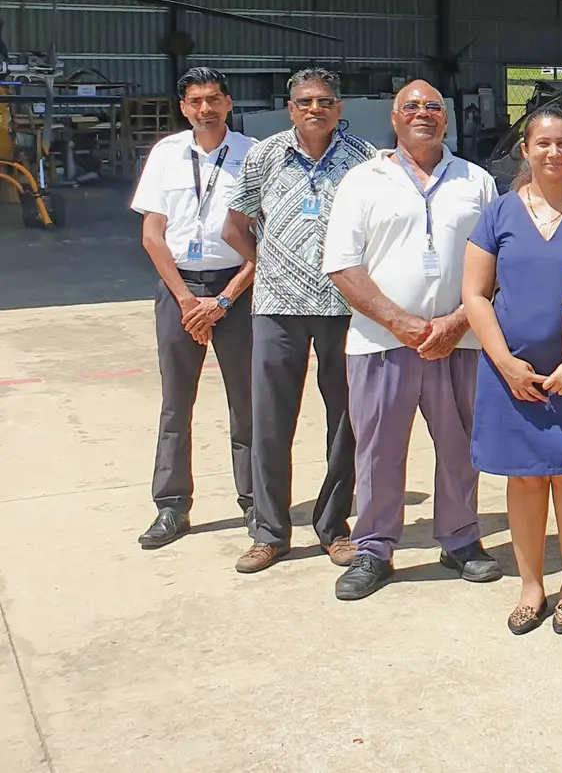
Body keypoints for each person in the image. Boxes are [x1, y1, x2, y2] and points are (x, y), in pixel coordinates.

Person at [323, 80, 500, 600]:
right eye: (412, 107)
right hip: (381, 342)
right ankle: (374, 548)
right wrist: (401, 322)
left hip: (460, 341)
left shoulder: (478, 181)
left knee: (460, 446)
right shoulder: (362, 180)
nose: (423, 114)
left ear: (446, 120)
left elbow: (496, 263)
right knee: (378, 450)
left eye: (433, 107)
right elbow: (343, 265)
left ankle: (460, 538)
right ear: (394, 119)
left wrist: (456, 322)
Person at [464, 108, 562, 634]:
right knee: (525, 479)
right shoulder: (498, 213)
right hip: (513, 376)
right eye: (543, 144)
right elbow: (475, 294)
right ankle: (532, 586)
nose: (553, 153)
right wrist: (504, 362)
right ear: (525, 151)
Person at [224, 68, 378, 573]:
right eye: (305, 101)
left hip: (343, 307)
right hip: (276, 305)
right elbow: (235, 225)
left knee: (346, 420)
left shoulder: (364, 160)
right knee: (270, 419)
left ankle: (334, 528)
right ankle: (269, 531)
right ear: (290, 108)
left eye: (326, 101)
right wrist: (267, 260)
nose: (316, 108)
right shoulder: (264, 155)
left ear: (339, 107)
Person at [130, 67, 257, 549]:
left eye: (213, 99)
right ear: (183, 108)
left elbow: (263, 241)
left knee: (247, 401)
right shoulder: (165, 154)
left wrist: (223, 300)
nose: (205, 108)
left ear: (228, 102)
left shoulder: (252, 155)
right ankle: (171, 505)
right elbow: (152, 234)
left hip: (237, 291)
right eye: (195, 101)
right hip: (178, 288)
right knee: (175, 402)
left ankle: (254, 502)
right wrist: (187, 301)